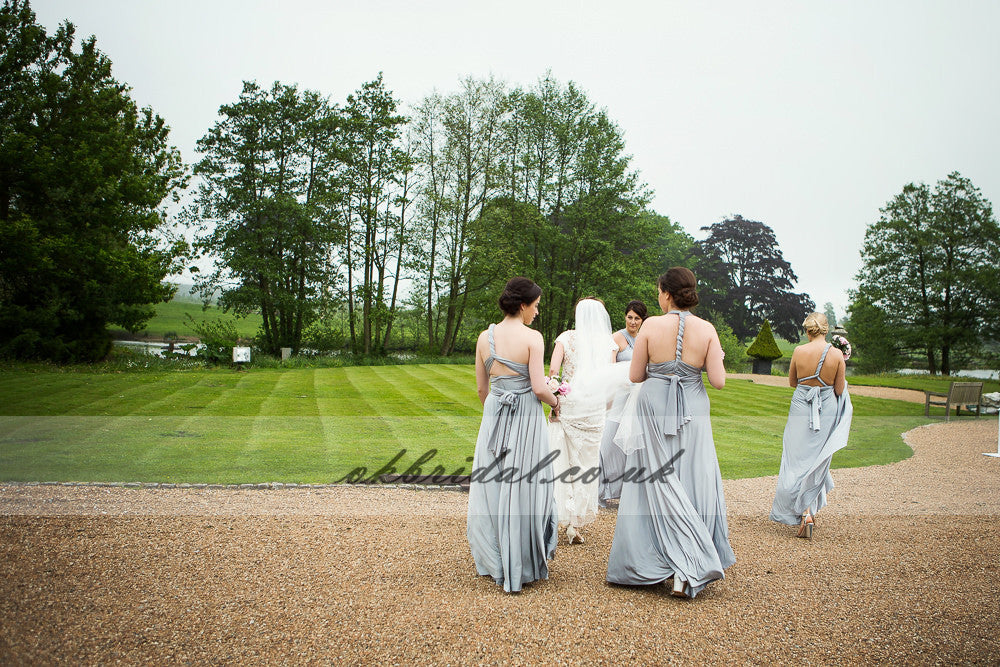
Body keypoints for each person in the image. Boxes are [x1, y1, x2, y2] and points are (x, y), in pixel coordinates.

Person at [606, 267, 735, 599]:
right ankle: (686, 569)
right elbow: (719, 381)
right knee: (692, 475)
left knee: (654, 479)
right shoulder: (707, 329)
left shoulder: (650, 326)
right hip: (693, 406)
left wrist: (660, 369)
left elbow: (636, 376)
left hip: (653, 406)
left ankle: (652, 560)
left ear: (665, 293)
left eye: (658, 291)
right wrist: (709, 358)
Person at [466, 277, 560, 593]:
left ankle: (497, 560)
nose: (537, 312)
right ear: (522, 305)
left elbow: (482, 388)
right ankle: (523, 559)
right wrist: (556, 401)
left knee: (494, 487)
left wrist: (494, 415)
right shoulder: (533, 337)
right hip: (526, 417)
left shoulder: (484, 337)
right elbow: (538, 387)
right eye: (535, 306)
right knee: (526, 486)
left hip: (494, 414)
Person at [770, 312, 853, 538]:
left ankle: (801, 510)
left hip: (801, 405)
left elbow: (792, 382)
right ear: (826, 330)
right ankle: (807, 511)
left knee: (796, 459)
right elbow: (838, 390)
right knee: (817, 459)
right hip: (826, 408)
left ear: (808, 331)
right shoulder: (836, 355)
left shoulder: (798, 351)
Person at [547, 297, 618, 544]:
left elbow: (553, 372)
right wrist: (606, 407)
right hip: (594, 407)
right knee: (587, 464)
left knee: (562, 460)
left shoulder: (565, 338)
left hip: (569, 404)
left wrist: (555, 398)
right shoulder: (607, 343)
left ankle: (560, 516)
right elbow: (610, 380)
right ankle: (575, 523)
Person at [599, 299, 647, 505]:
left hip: (638, 398)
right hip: (619, 397)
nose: (633, 322)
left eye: (637, 318)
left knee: (634, 444)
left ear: (642, 320)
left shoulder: (646, 338)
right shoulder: (616, 338)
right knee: (608, 443)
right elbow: (608, 369)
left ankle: (630, 493)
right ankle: (602, 490)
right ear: (625, 317)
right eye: (630, 317)